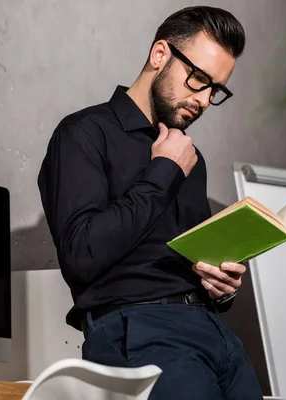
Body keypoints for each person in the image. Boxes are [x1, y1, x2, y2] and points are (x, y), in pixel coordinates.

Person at [37, 5, 262, 400]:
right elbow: (80, 254)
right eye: (198, 79)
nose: (205, 100)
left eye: (216, 90)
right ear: (160, 54)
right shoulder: (84, 133)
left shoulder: (192, 156)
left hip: (218, 338)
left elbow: (189, 261)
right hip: (140, 331)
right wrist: (164, 171)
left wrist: (221, 286)